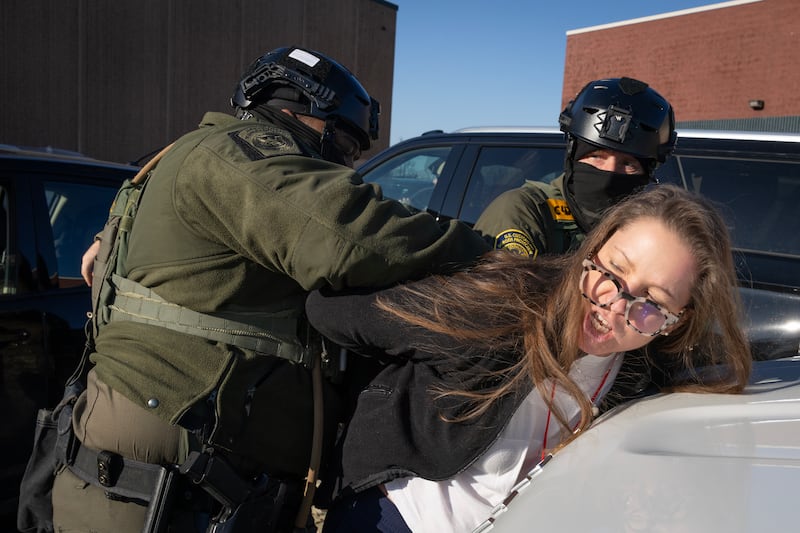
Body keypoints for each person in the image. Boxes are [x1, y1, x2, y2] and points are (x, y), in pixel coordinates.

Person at [51, 46, 491, 533]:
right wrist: (488, 254)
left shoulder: (191, 154)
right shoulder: (239, 154)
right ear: (302, 111)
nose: (345, 166)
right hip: (161, 479)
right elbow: (351, 235)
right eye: (344, 146)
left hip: (191, 467)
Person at [305, 185, 752, 533]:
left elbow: (723, 367)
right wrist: (389, 392)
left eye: (651, 302)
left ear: (675, 321)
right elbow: (333, 312)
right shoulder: (495, 312)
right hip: (403, 513)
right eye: (612, 271)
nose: (613, 306)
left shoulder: (646, 361)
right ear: (592, 249)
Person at [473, 76, 676, 258]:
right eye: (596, 156)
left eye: (628, 163)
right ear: (572, 154)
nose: (609, 172)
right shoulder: (526, 211)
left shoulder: (649, 230)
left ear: (648, 173)